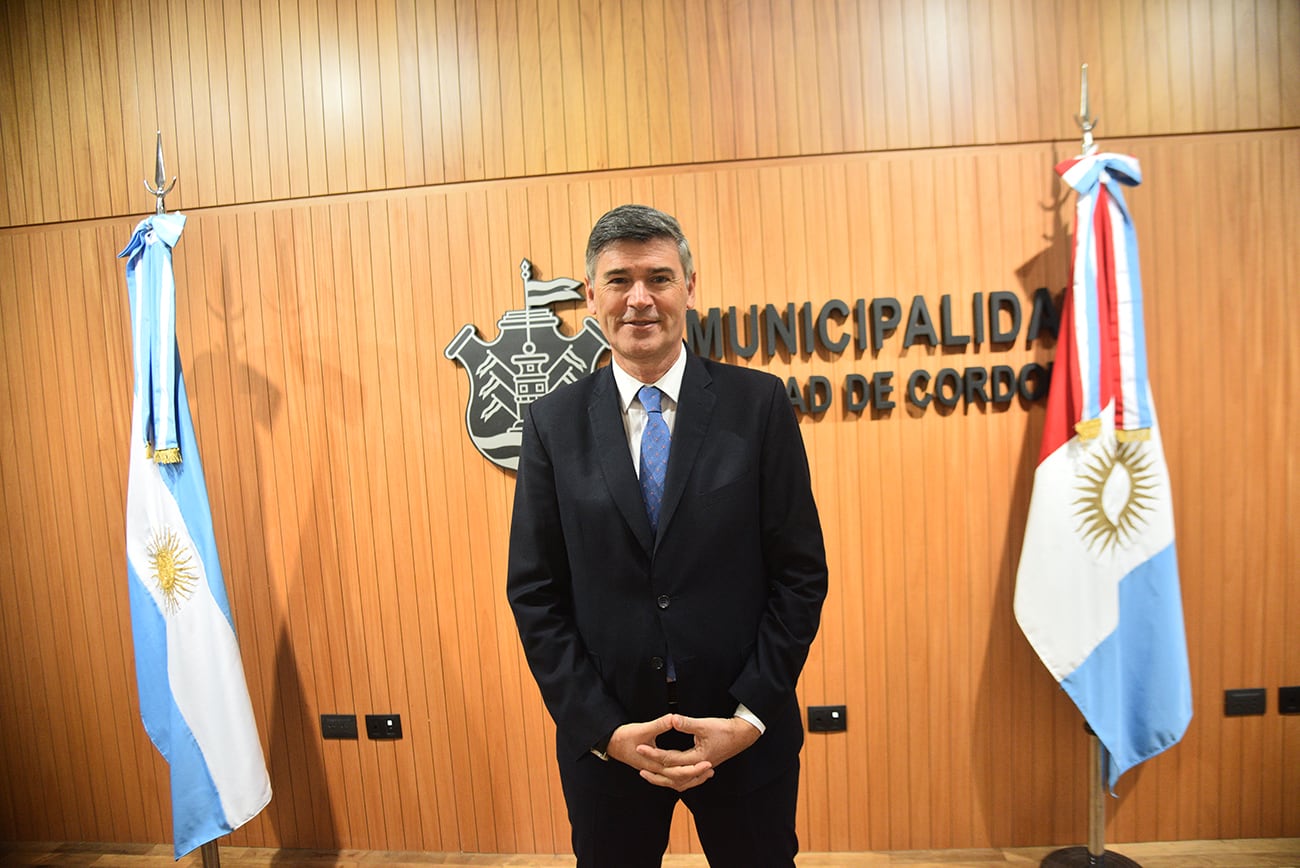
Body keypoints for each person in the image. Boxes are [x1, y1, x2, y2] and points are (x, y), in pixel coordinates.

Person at [506, 204, 828, 867]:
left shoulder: (759, 406)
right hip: (612, 743)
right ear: (591, 295)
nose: (640, 299)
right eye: (619, 280)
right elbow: (536, 593)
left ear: (690, 286)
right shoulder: (550, 425)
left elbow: (799, 574)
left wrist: (749, 718)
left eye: (659, 277)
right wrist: (603, 730)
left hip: (743, 733)